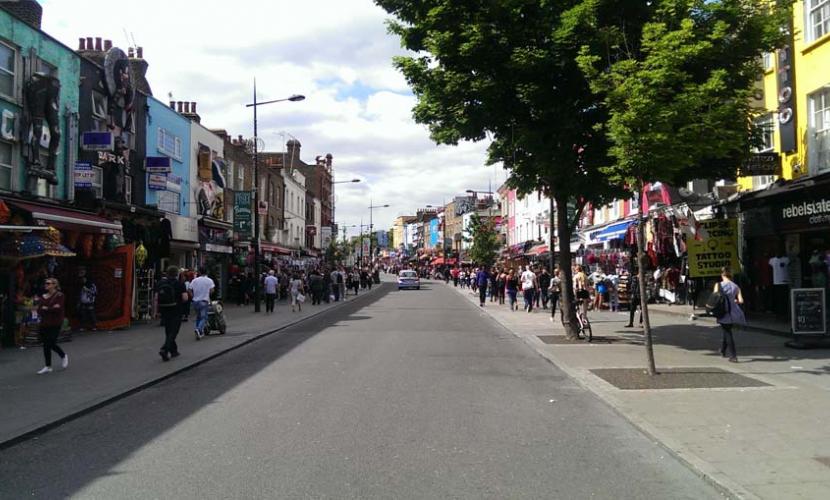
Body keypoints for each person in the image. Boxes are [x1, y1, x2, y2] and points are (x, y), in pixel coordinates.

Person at [35, 277, 68, 374]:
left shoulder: (60, 295)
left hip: (55, 323)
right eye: (45, 283)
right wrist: (49, 308)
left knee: (51, 342)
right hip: (44, 323)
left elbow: (58, 308)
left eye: (48, 283)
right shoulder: (43, 296)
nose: (46, 285)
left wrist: (47, 308)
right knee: (46, 344)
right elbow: (39, 310)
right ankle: (48, 366)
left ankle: (63, 355)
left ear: (54, 285)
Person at [156, 266, 188, 361]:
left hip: (164, 309)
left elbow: (156, 297)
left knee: (168, 330)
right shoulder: (180, 284)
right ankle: (164, 349)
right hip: (176, 309)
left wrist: (156, 311)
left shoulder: (161, 283)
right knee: (174, 331)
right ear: (176, 274)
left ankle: (174, 351)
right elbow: (185, 298)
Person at [715, 267, 745, 363]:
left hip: (723, 311)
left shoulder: (718, 285)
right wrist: (734, 300)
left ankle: (733, 355)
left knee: (727, 332)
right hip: (733, 311)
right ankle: (723, 350)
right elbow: (741, 301)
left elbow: (715, 298)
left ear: (722, 275)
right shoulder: (736, 286)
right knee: (726, 330)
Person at [190, 267, 215, 339]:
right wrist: (207, 294)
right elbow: (212, 290)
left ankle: (198, 331)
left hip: (195, 301)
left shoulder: (194, 280)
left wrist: (193, 296)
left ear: (199, 272)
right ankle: (199, 329)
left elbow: (189, 289)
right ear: (206, 272)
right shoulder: (209, 280)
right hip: (204, 301)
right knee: (204, 317)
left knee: (198, 316)